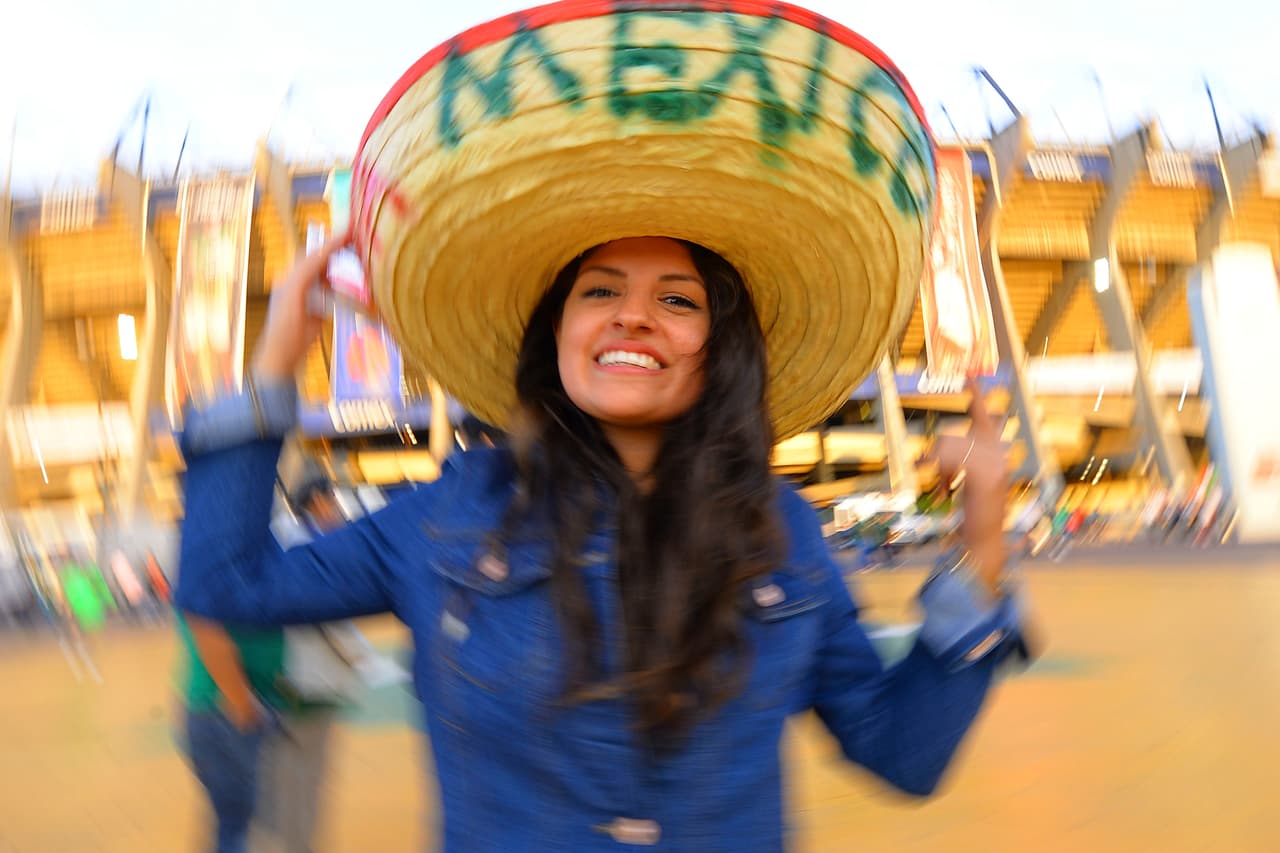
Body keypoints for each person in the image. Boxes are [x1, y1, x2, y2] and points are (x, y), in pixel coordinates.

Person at [176, 4, 1033, 849]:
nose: (632, 317)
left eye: (676, 300)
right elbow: (226, 582)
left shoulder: (780, 533)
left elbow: (901, 752)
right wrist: (271, 372)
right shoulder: (447, 516)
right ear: (558, 335)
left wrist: (984, 543)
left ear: (718, 349)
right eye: (599, 290)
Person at [178, 475, 350, 853]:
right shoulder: (213, 548)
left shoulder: (236, 543)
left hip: (244, 706)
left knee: (241, 829)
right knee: (253, 834)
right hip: (229, 710)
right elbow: (207, 630)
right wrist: (242, 704)